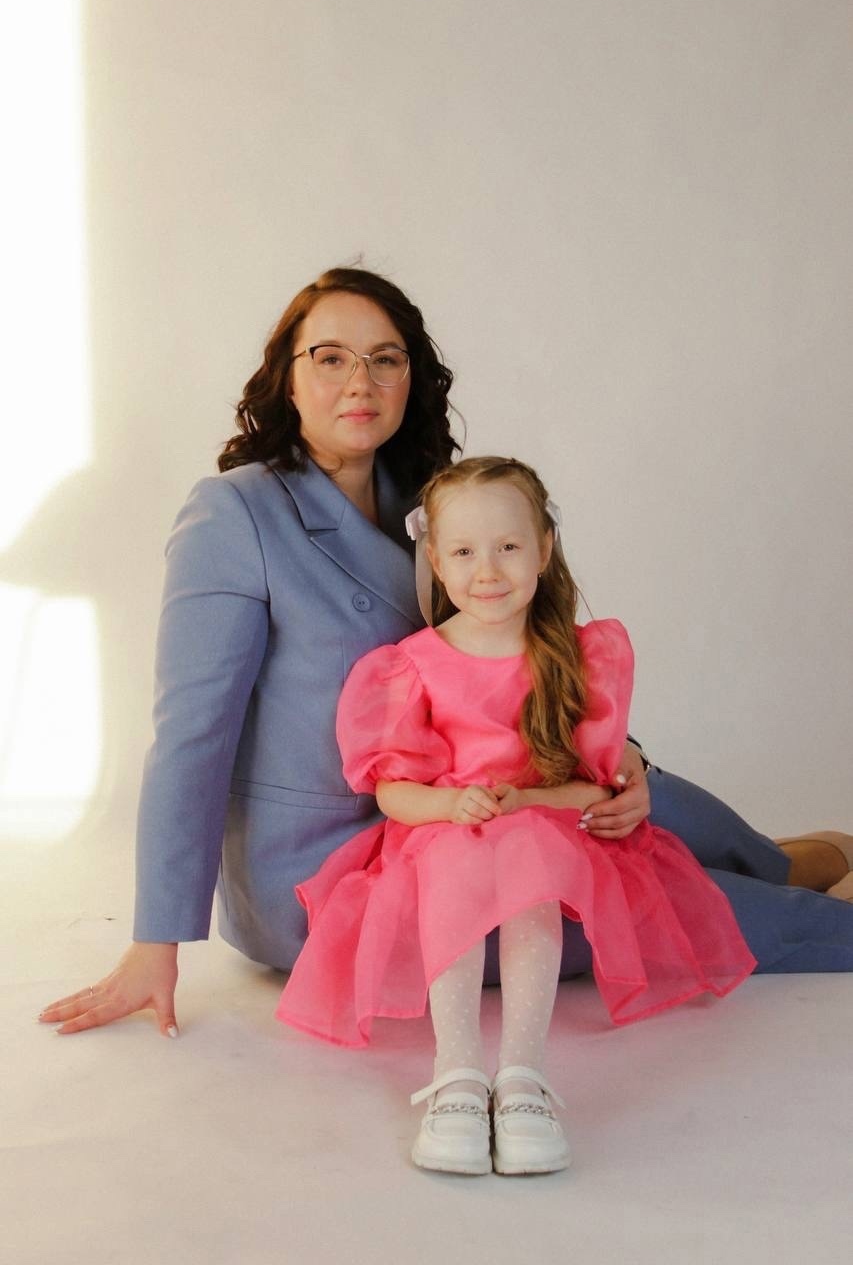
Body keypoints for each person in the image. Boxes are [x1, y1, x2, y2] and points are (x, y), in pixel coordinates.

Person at [37, 266, 853, 1041]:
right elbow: (193, 732)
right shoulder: (234, 513)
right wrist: (155, 940)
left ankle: (778, 864)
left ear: (411, 379)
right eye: (329, 358)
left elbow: (515, 660)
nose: (359, 381)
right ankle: (810, 907)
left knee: (647, 794)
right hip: (340, 870)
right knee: (658, 908)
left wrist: (619, 759)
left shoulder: (430, 501)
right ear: (286, 378)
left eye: (384, 359)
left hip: (478, 807)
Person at [275, 457, 757, 1175]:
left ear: (544, 548)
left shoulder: (575, 658)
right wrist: (449, 804)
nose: (488, 571)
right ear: (435, 561)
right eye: (464, 552)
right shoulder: (410, 666)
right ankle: (458, 1075)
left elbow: (591, 789)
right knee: (456, 853)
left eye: (507, 546)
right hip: (443, 836)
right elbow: (391, 791)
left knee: (528, 850)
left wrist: (525, 802)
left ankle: (523, 1077)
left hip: (549, 841)